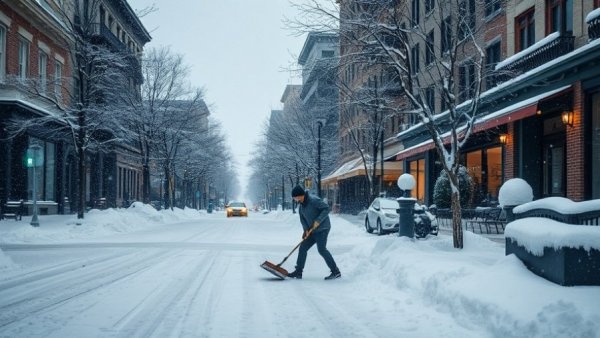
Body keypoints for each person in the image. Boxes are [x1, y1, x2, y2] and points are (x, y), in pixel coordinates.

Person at [287, 185, 341, 280]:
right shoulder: (301, 206)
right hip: (312, 231)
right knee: (303, 247)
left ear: (300, 195)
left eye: (295, 197)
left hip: (322, 229)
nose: (294, 199)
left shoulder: (313, 200)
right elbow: (303, 220)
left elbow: (326, 208)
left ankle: (335, 271)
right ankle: (299, 271)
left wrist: (318, 221)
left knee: (321, 249)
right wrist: (305, 231)